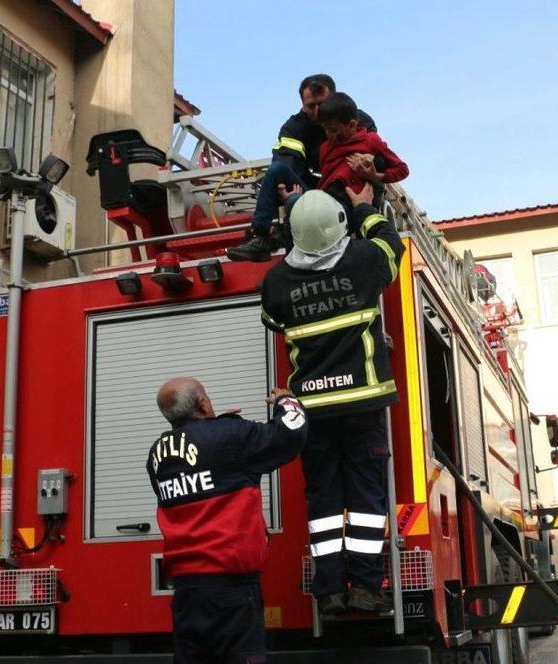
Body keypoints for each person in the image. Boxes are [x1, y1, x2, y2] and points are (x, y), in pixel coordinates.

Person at [260, 184, 405, 616]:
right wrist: (363, 208)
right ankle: (364, 588)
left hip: (313, 412)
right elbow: (389, 243)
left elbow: (272, 318)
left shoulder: (277, 281)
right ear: (339, 226)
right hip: (362, 404)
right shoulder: (363, 262)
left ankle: (328, 592)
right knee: (365, 497)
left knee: (323, 500)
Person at [146, 377, 307, 663]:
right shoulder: (229, 435)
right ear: (203, 403)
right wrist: (287, 401)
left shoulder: (157, 456)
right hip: (232, 592)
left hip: (186, 593)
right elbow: (290, 434)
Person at [227, 74, 377, 262]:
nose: (316, 111)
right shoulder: (294, 127)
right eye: (310, 106)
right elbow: (287, 161)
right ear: (302, 104)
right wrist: (291, 193)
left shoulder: (358, 120)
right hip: (317, 191)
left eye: (321, 104)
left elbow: (379, 160)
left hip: (350, 194)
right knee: (277, 172)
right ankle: (261, 238)